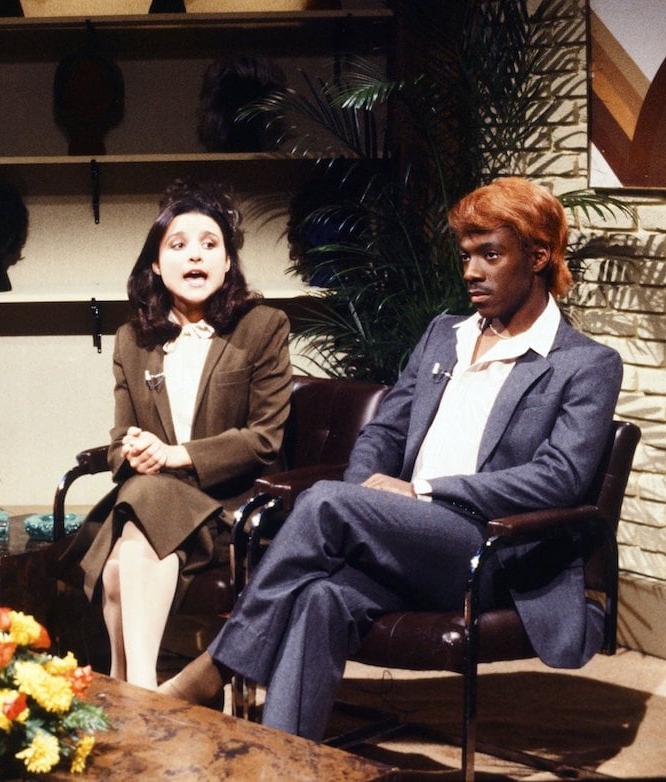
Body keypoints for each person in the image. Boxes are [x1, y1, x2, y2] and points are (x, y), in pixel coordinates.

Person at [159, 177, 624, 740]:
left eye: (491, 255)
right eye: (466, 256)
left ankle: (220, 666)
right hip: (405, 540)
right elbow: (381, 433)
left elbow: (560, 479)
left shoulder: (585, 363)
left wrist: (425, 492)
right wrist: (367, 494)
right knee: (319, 597)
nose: (471, 272)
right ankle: (284, 762)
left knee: (328, 503)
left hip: (492, 550)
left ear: (539, 257)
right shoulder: (442, 336)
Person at [77, 180, 292, 690]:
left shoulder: (263, 326)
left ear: (226, 263)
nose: (194, 255)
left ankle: (130, 688)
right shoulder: (132, 339)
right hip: (155, 503)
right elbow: (117, 443)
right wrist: (133, 450)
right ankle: (142, 693)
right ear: (155, 264)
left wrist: (173, 455)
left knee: (121, 555)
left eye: (209, 244)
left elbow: (265, 440)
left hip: (232, 509)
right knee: (136, 526)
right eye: (178, 245)